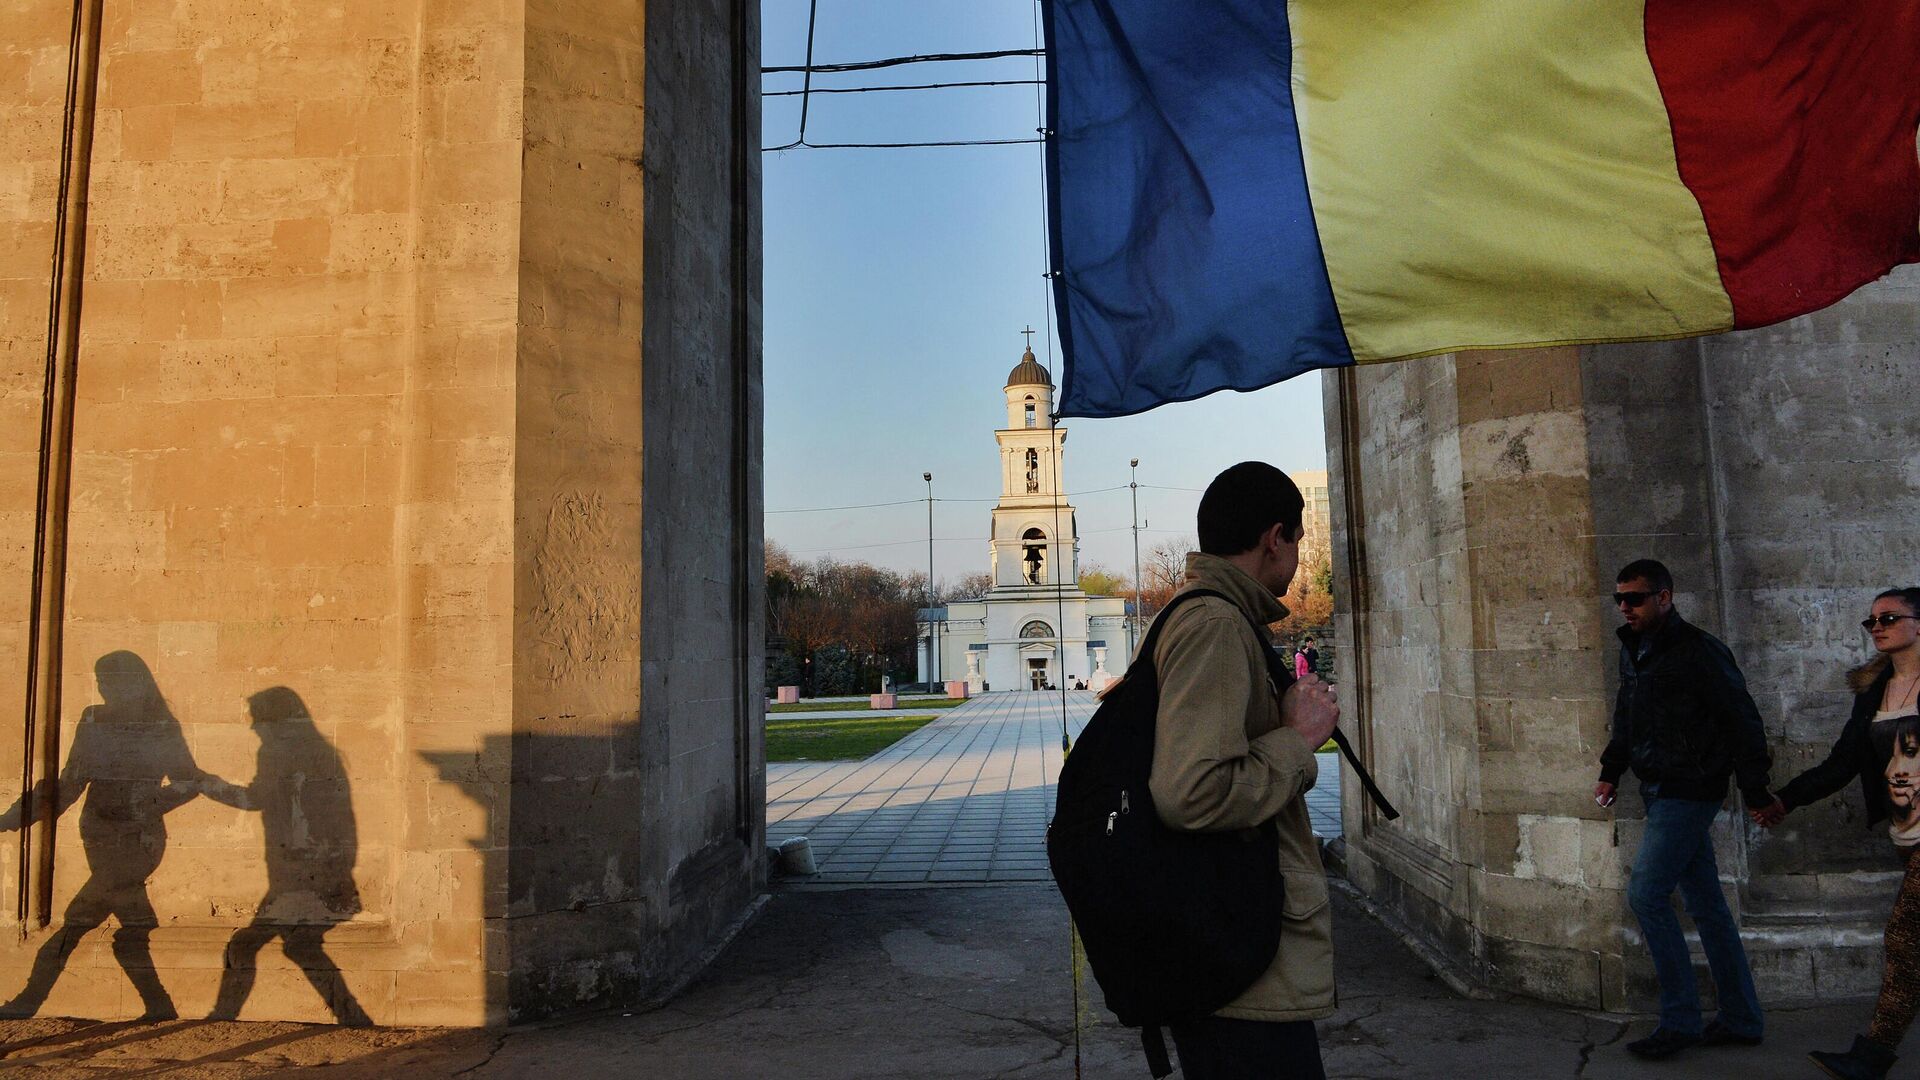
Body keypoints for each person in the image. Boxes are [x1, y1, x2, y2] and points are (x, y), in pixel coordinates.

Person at [1145, 462, 1340, 1079]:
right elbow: (1191, 791)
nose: (1298, 559)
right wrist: (1298, 740)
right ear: (1274, 537)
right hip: (1241, 963)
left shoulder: (1210, 615)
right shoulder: (1216, 625)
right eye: (1299, 542)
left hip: (1230, 947)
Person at [1595, 559, 1772, 1061]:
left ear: (1665, 597)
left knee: (1647, 895)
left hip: (1690, 789)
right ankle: (1741, 1018)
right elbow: (1627, 715)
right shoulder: (1635, 649)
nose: (1626, 607)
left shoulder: (1699, 650)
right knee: (1706, 905)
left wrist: (1756, 792)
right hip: (1657, 788)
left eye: (1636, 598)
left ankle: (1680, 1021)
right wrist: (1612, 768)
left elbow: (1743, 722)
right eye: (1620, 599)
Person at [1752, 586, 1920, 1079]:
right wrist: (1786, 798)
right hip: (1908, 837)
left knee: (1906, 940)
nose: (1877, 627)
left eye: (1888, 617)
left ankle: (1872, 1058)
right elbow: (1844, 762)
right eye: (1871, 621)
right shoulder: (1875, 692)